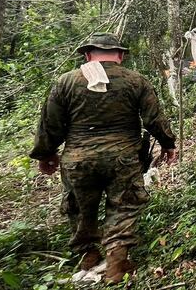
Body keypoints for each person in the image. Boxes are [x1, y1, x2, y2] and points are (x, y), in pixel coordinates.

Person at [30, 32, 177, 283]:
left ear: (88, 54)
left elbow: (50, 123)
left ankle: (88, 255)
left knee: (80, 209)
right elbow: (154, 119)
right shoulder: (136, 81)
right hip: (123, 159)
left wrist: (46, 154)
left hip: (77, 160)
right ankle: (116, 264)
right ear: (120, 54)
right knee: (123, 206)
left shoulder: (65, 82)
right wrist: (168, 144)